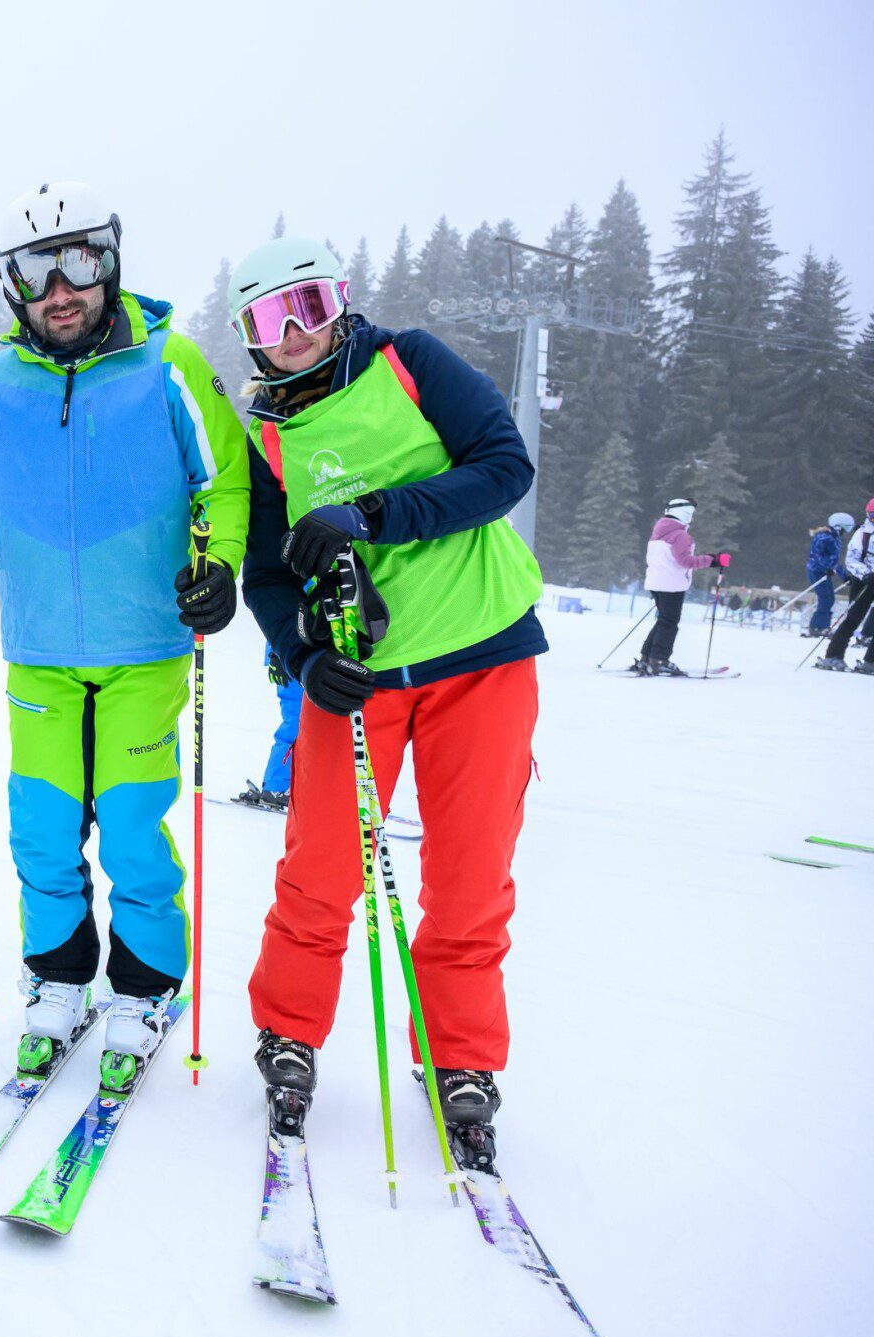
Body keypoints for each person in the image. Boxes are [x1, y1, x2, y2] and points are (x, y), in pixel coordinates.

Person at [0, 181, 251, 1082]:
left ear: (109, 261)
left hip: (145, 646)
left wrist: (220, 564)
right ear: (13, 286)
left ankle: (146, 986)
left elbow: (223, 480)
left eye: (77, 262)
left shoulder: (168, 364)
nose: (59, 290)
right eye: (35, 272)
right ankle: (59, 978)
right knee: (41, 829)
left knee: (130, 826)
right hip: (40, 649)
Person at [230, 234, 545, 1172]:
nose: (294, 332)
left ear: (342, 303)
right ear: (248, 335)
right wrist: (301, 657)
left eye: (311, 306)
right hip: (359, 677)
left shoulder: (409, 362)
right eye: (269, 319)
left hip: (480, 657)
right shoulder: (266, 435)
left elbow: (504, 466)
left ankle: (461, 1058)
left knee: (470, 876)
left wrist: (372, 515)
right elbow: (266, 575)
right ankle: (289, 1032)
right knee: (320, 867)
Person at [632, 498, 728, 676]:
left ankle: (647, 658)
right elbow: (685, 561)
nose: (692, 518)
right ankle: (659, 660)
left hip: (656, 582)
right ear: (684, 514)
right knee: (669, 623)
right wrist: (712, 560)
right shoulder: (680, 535)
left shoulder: (659, 532)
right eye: (691, 514)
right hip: (672, 584)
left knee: (663, 621)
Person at [236, 645, 302, 813]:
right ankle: (276, 787)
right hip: (291, 659)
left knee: (307, 725)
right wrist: (276, 655)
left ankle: (288, 784)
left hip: (311, 659)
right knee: (296, 723)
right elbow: (276, 627)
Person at [816, 501, 874, 673]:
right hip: (865, 581)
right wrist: (865, 574)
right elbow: (851, 560)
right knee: (853, 618)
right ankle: (833, 655)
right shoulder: (862, 534)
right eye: (872, 516)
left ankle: (870, 661)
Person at [805, 513, 853, 636]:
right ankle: (817, 627)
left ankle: (824, 626)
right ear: (838, 527)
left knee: (829, 599)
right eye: (844, 529)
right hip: (816, 571)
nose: (845, 533)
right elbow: (817, 556)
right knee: (825, 599)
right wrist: (827, 567)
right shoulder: (824, 537)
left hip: (823, 571)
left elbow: (834, 561)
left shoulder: (834, 538)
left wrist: (844, 577)